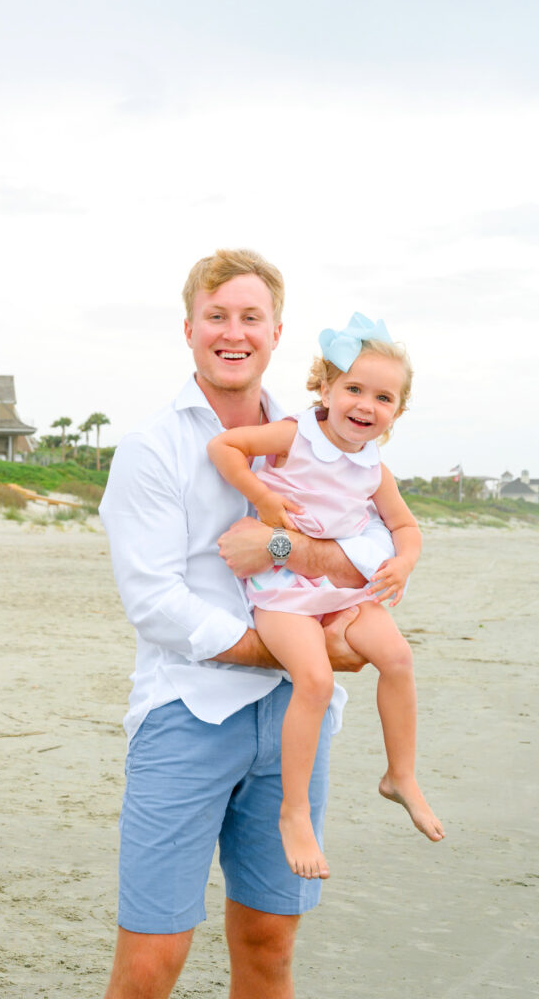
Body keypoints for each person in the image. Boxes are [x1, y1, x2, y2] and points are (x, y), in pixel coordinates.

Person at [99, 250, 396, 999]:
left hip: (295, 722)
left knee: (269, 945)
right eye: (217, 316)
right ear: (191, 329)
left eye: (250, 317)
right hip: (186, 714)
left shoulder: (324, 436)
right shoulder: (150, 447)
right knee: (151, 960)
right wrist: (295, 653)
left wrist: (285, 546)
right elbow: (157, 604)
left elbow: (373, 550)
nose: (234, 332)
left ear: (277, 332)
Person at [208, 315, 445, 881]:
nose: (365, 405)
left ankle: (400, 775)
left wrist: (404, 560)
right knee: (314, 680)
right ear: (326, 388)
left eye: (383, 397)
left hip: (340, 591)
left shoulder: (374, 469)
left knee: (397, 658)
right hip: (284, 591)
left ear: (397, 412)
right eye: (354, 389)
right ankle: (294, 813)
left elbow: (406, 528)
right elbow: (225, 447)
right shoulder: (297, 436)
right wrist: (262, 496)